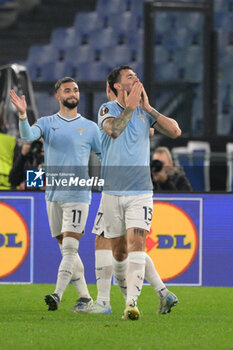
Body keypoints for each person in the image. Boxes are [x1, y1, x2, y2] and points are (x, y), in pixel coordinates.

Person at [96, 65, 181, 320]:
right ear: (119, 86)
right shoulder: (107, 109)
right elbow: (114, 130)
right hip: (112, 192)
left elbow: (175, 131)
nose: (136, 79)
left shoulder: (145, 113)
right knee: (119, 253)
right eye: (130, 77)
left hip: (141, 191)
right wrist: (132, 107)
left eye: (136, 75)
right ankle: (151, 293)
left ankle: (131, 303)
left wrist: (149, 109)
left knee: (137, 244)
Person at [10, 77, 101, 312]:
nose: (73, 93)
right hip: (53, 194)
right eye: (67, 90)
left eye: (76, 90)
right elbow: (28, 136)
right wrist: (22, 116)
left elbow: (105, 154)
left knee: (70, 247)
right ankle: (85, 299)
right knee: (66, 250)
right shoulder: (47, 123)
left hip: (79, 194)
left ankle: (57, 294)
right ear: (57, 96)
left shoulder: (91, 127)